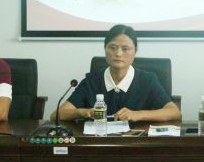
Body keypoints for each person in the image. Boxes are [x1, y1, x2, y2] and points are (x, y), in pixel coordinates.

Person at [50, 24, 181, 122]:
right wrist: (82, 112)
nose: (118, 54)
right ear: (105, 49)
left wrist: (138, 114)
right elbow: (56, 115)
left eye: (125, 49)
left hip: (137, 145)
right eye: (112, 48)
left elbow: (174, 112)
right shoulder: (92, 81)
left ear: (135, 51)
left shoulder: (147, 80)